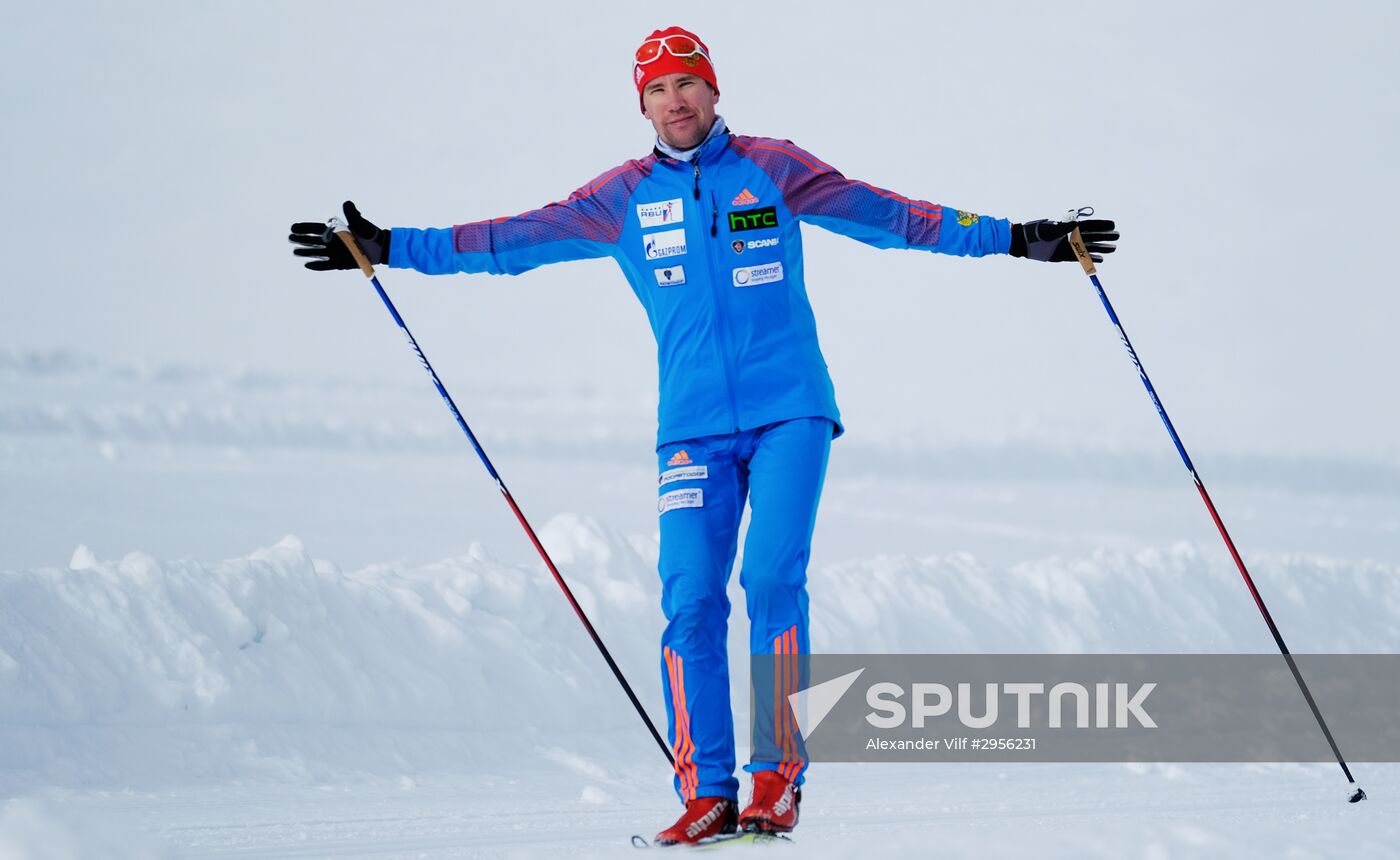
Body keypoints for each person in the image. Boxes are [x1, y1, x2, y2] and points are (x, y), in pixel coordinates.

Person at [290, 26, 1117, 845]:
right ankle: (707, 791)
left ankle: (776, 780)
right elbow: (508, 241)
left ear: (713, 90)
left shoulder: (775, 169)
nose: (673, 101)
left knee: (770, 582)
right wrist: (389, 247)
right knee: (688, 601)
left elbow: (899, 218)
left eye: (686, 83)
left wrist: (1023, 238)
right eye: (655, 89)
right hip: (689, 431)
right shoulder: (618, 199)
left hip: (791, 411)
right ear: (641, 105)